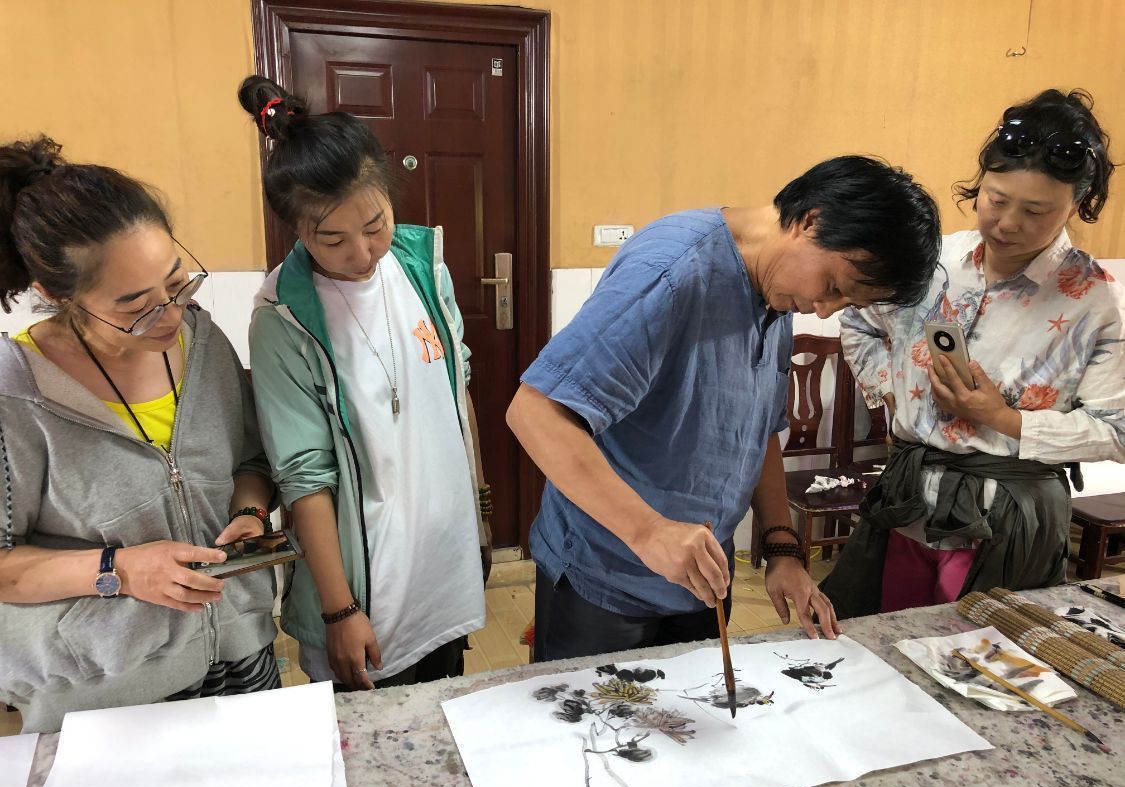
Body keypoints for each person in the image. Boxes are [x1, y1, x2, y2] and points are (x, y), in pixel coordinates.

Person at [506, 156, 943, 661]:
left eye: (846, 304)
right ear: (811, 220)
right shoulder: (671, 273)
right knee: (596, 733)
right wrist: (649, 531)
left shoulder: (777, 291)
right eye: (833, 287)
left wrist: (783, 549)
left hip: (702, 578)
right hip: (605, 577)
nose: (824, 310)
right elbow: (534, 411)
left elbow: (758, 432)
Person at [0, 137, 279, 733]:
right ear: (55, 294)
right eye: (135, 306)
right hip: (106, 691)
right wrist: (121, 569)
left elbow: (249, 459)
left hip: (239, 650)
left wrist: (250, 514)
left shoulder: (203, 345)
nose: (171, 316)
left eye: (178, 284)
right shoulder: (16, 394)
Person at [822, 89, 1124, 619]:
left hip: (1007, 516)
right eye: (995, 198)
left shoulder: (1089, 299)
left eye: (1036, 211)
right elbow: (858, 316)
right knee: (886, 645)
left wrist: (1003, 419)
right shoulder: (937, 258)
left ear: (1075, 204)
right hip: (908, 496)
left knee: (979, 664)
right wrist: (895, 387)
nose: (1007, 224)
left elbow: (1116, 433)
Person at [239, 76, 490, 691]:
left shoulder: (421, 266)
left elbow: (458, 392)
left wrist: (480, 514)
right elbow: (304, 475)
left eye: (375, 223)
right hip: (365, 587)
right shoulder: (284, 318)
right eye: (333, 239)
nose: (363, 251)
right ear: (296, 231)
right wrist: (339, 610)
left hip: (442, 565)